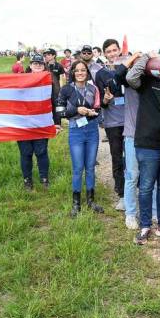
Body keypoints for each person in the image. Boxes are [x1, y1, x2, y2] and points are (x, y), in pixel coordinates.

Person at [121, 45, 160, 229]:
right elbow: (130, 77)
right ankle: (145, 224)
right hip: (147, 143)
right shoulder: (146, 80)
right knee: (145, 186)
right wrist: (146, 57)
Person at [56, 60, 104, 217]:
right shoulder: (66, 89)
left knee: (90, 167)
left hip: (91, 131)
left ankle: (91, 201)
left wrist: (93, 112)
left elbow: (98, 108)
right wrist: (76, 110)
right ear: (73, 72)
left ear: (87, 72)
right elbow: (59, 111)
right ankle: (76, 204)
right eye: (77, 70)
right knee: (78, 168)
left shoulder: (93, 88)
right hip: (76, 131)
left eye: (83, 70)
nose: (80, 73)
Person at [94, 39, 128, 211]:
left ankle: (132, 191)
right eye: (109, 51)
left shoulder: (129, 68)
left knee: (132, 158)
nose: (113, 54)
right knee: (117, 158)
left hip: (131, 121)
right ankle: (121, 194)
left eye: (115, 50)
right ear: (104, 54)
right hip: (113, 122)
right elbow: (101, 101)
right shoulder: (101, 74)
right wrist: (106, 101)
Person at [17, 54, 54, 191]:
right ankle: (27, 180)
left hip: (42, 122)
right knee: (25, 153)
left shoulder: (49, 80)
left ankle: (44, 178)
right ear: (30, 65)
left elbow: (54, 101)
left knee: (41, 152)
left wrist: (55, 122)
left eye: (40, 63)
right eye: (35, 63)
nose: (37, 65)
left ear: (44, 66)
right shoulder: (21, 80)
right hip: (24, 124)